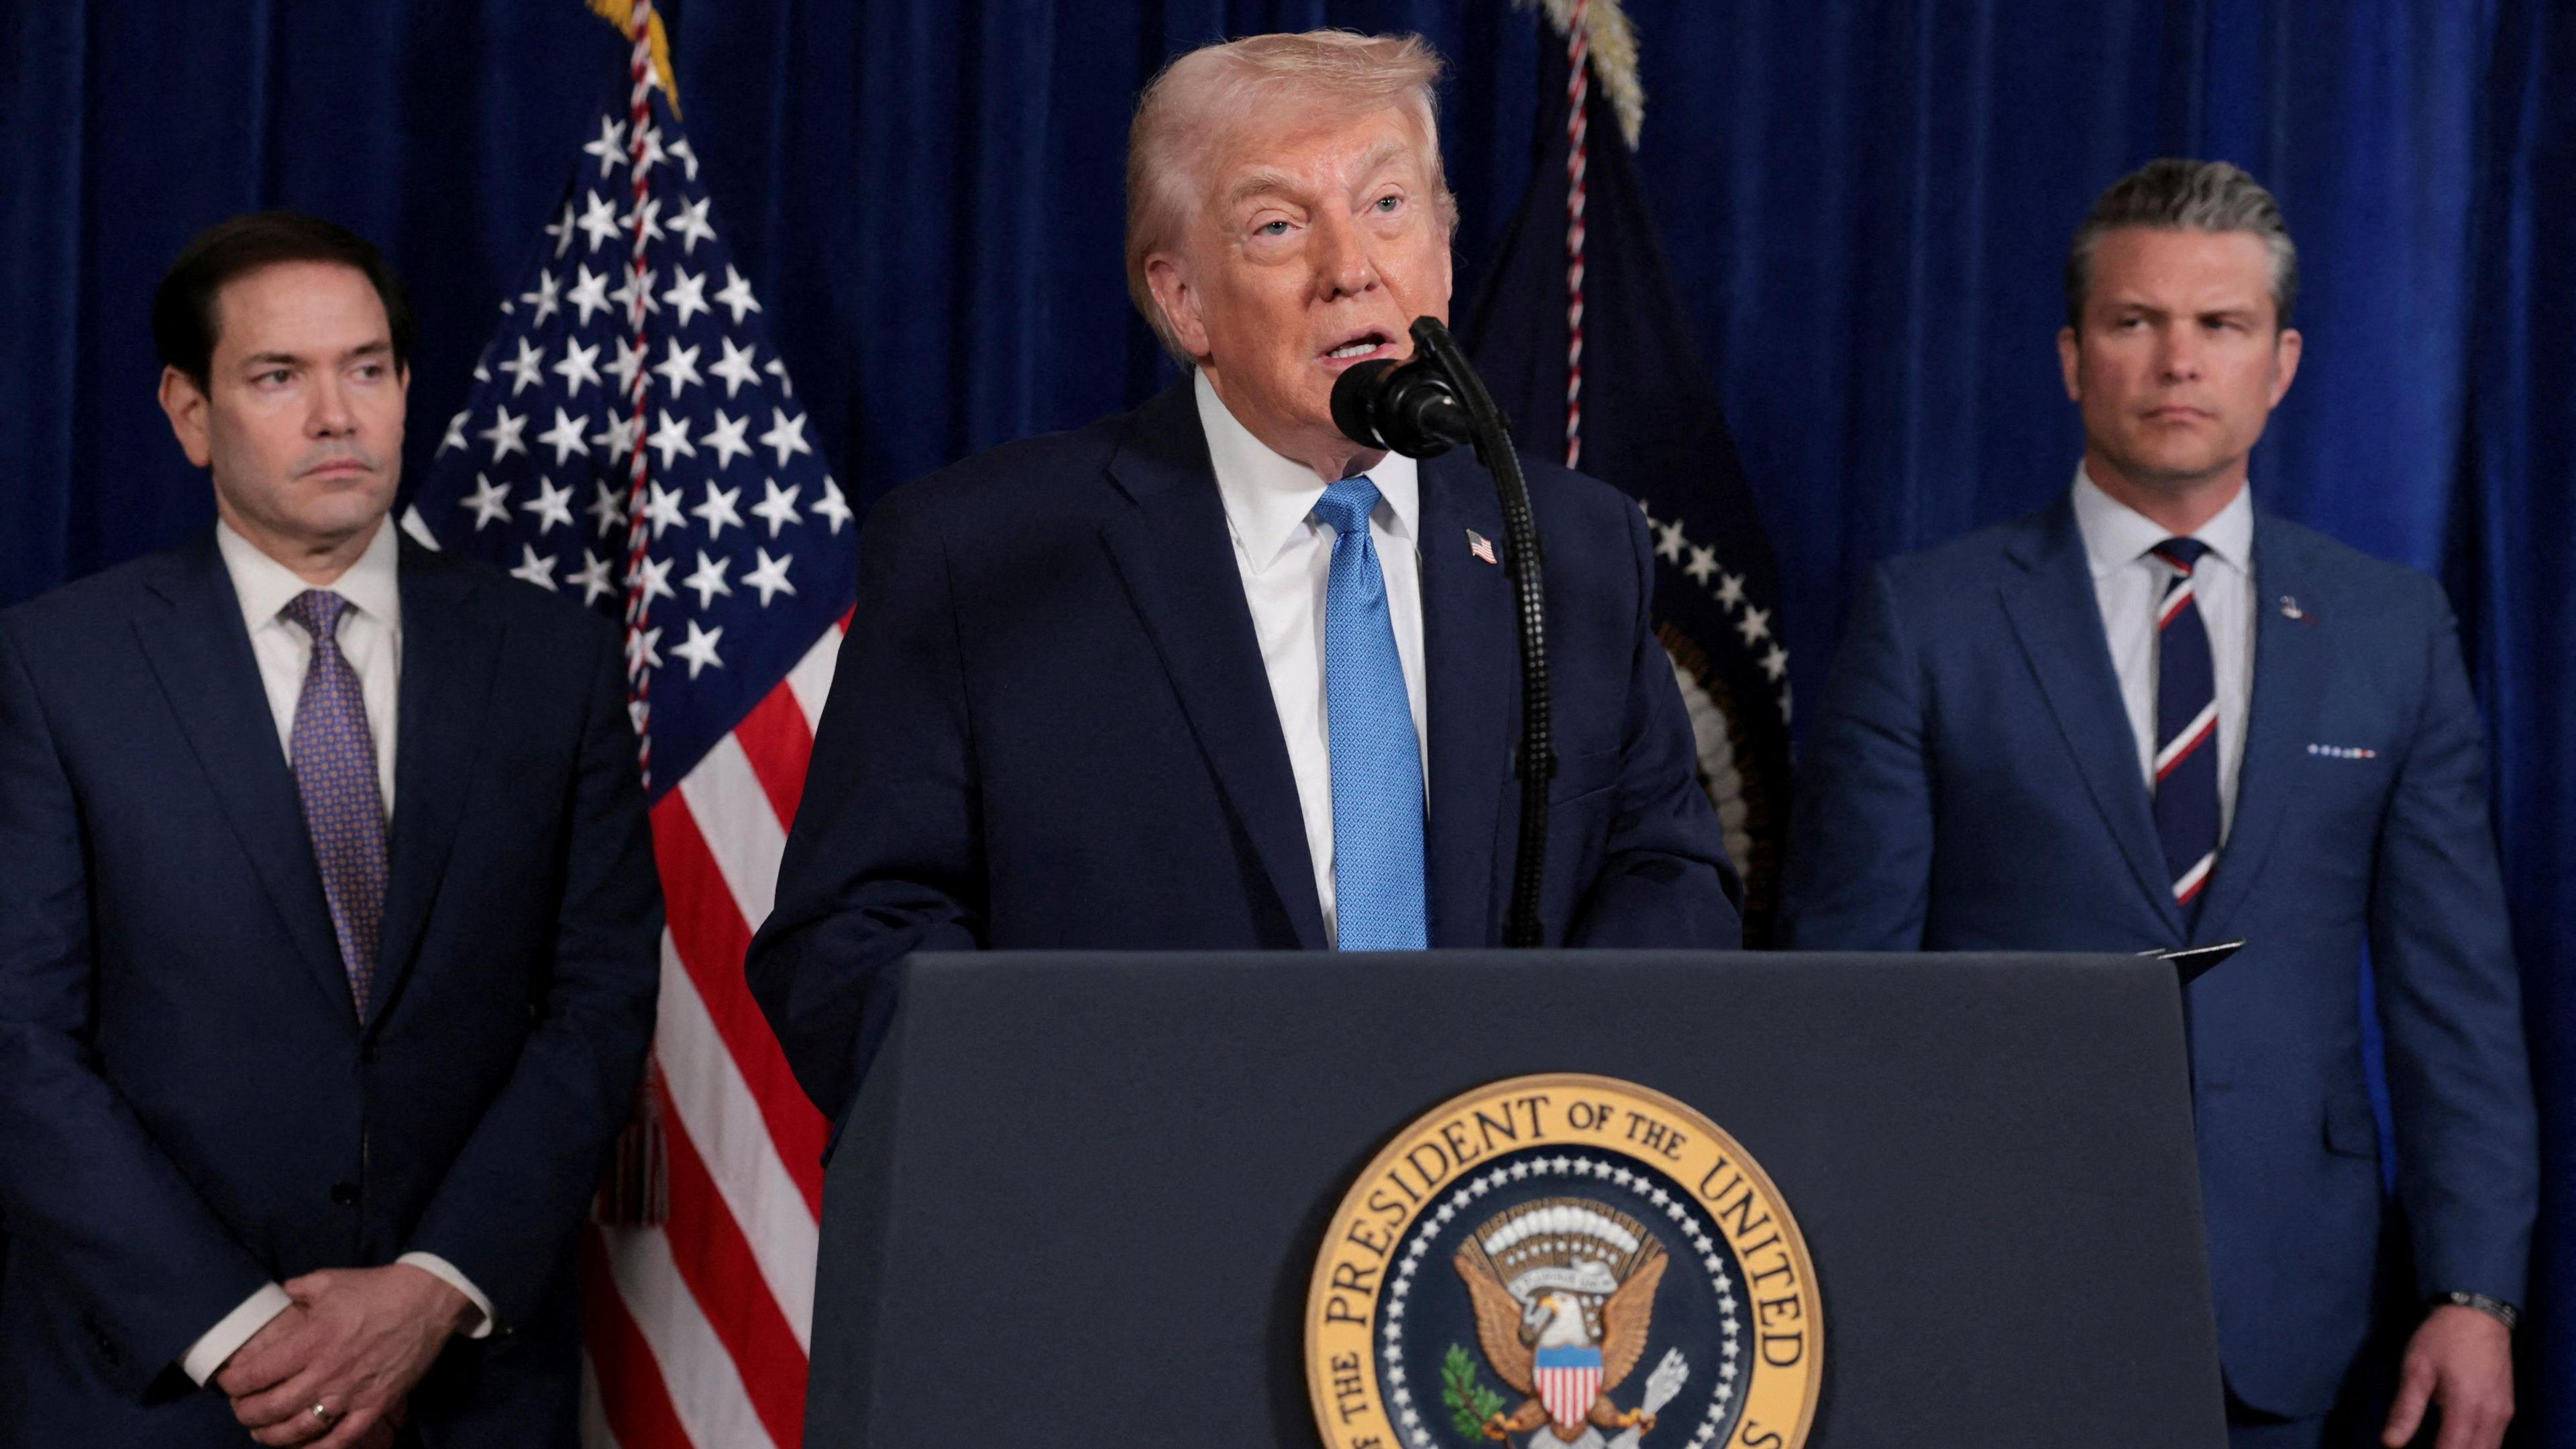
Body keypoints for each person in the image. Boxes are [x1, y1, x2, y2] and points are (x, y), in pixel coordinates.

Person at [748, 30, 1741, 1121]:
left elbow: (1668, 879)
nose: (1351, 267)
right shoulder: (979, 559)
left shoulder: (1572, 545)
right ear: (1184, 304)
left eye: (1389, 206)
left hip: (1485, 1225)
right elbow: (852, 941)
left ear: (1445, 253)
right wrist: (1086, 1144)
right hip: (1137, 1238)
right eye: (1279, 226)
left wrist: (1543, 1107)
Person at [1778, 160, 2532, 1449]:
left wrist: (2474, 1292)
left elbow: (2452, 997)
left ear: (2280, 362)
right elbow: (1849, 987)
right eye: (2137, 323)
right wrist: (1847, 1260)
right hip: (1987, 1282)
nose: (2177, 361)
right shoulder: (1929, 618)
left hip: (2295, 1307)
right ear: (2075, 357)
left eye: (2220, 326)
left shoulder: (2390, 630)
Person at [0, 212, 661, 1447]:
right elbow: (20, 1044)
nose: (337, 416)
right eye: (277, 377)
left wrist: (432, 1290)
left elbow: (600, 1001)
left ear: (408, 389)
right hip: (156, 1388)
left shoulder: (551, 662)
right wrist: (242, 1331)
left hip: (462, 1387)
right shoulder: (53, 670)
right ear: (189, 413)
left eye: (367, 369)